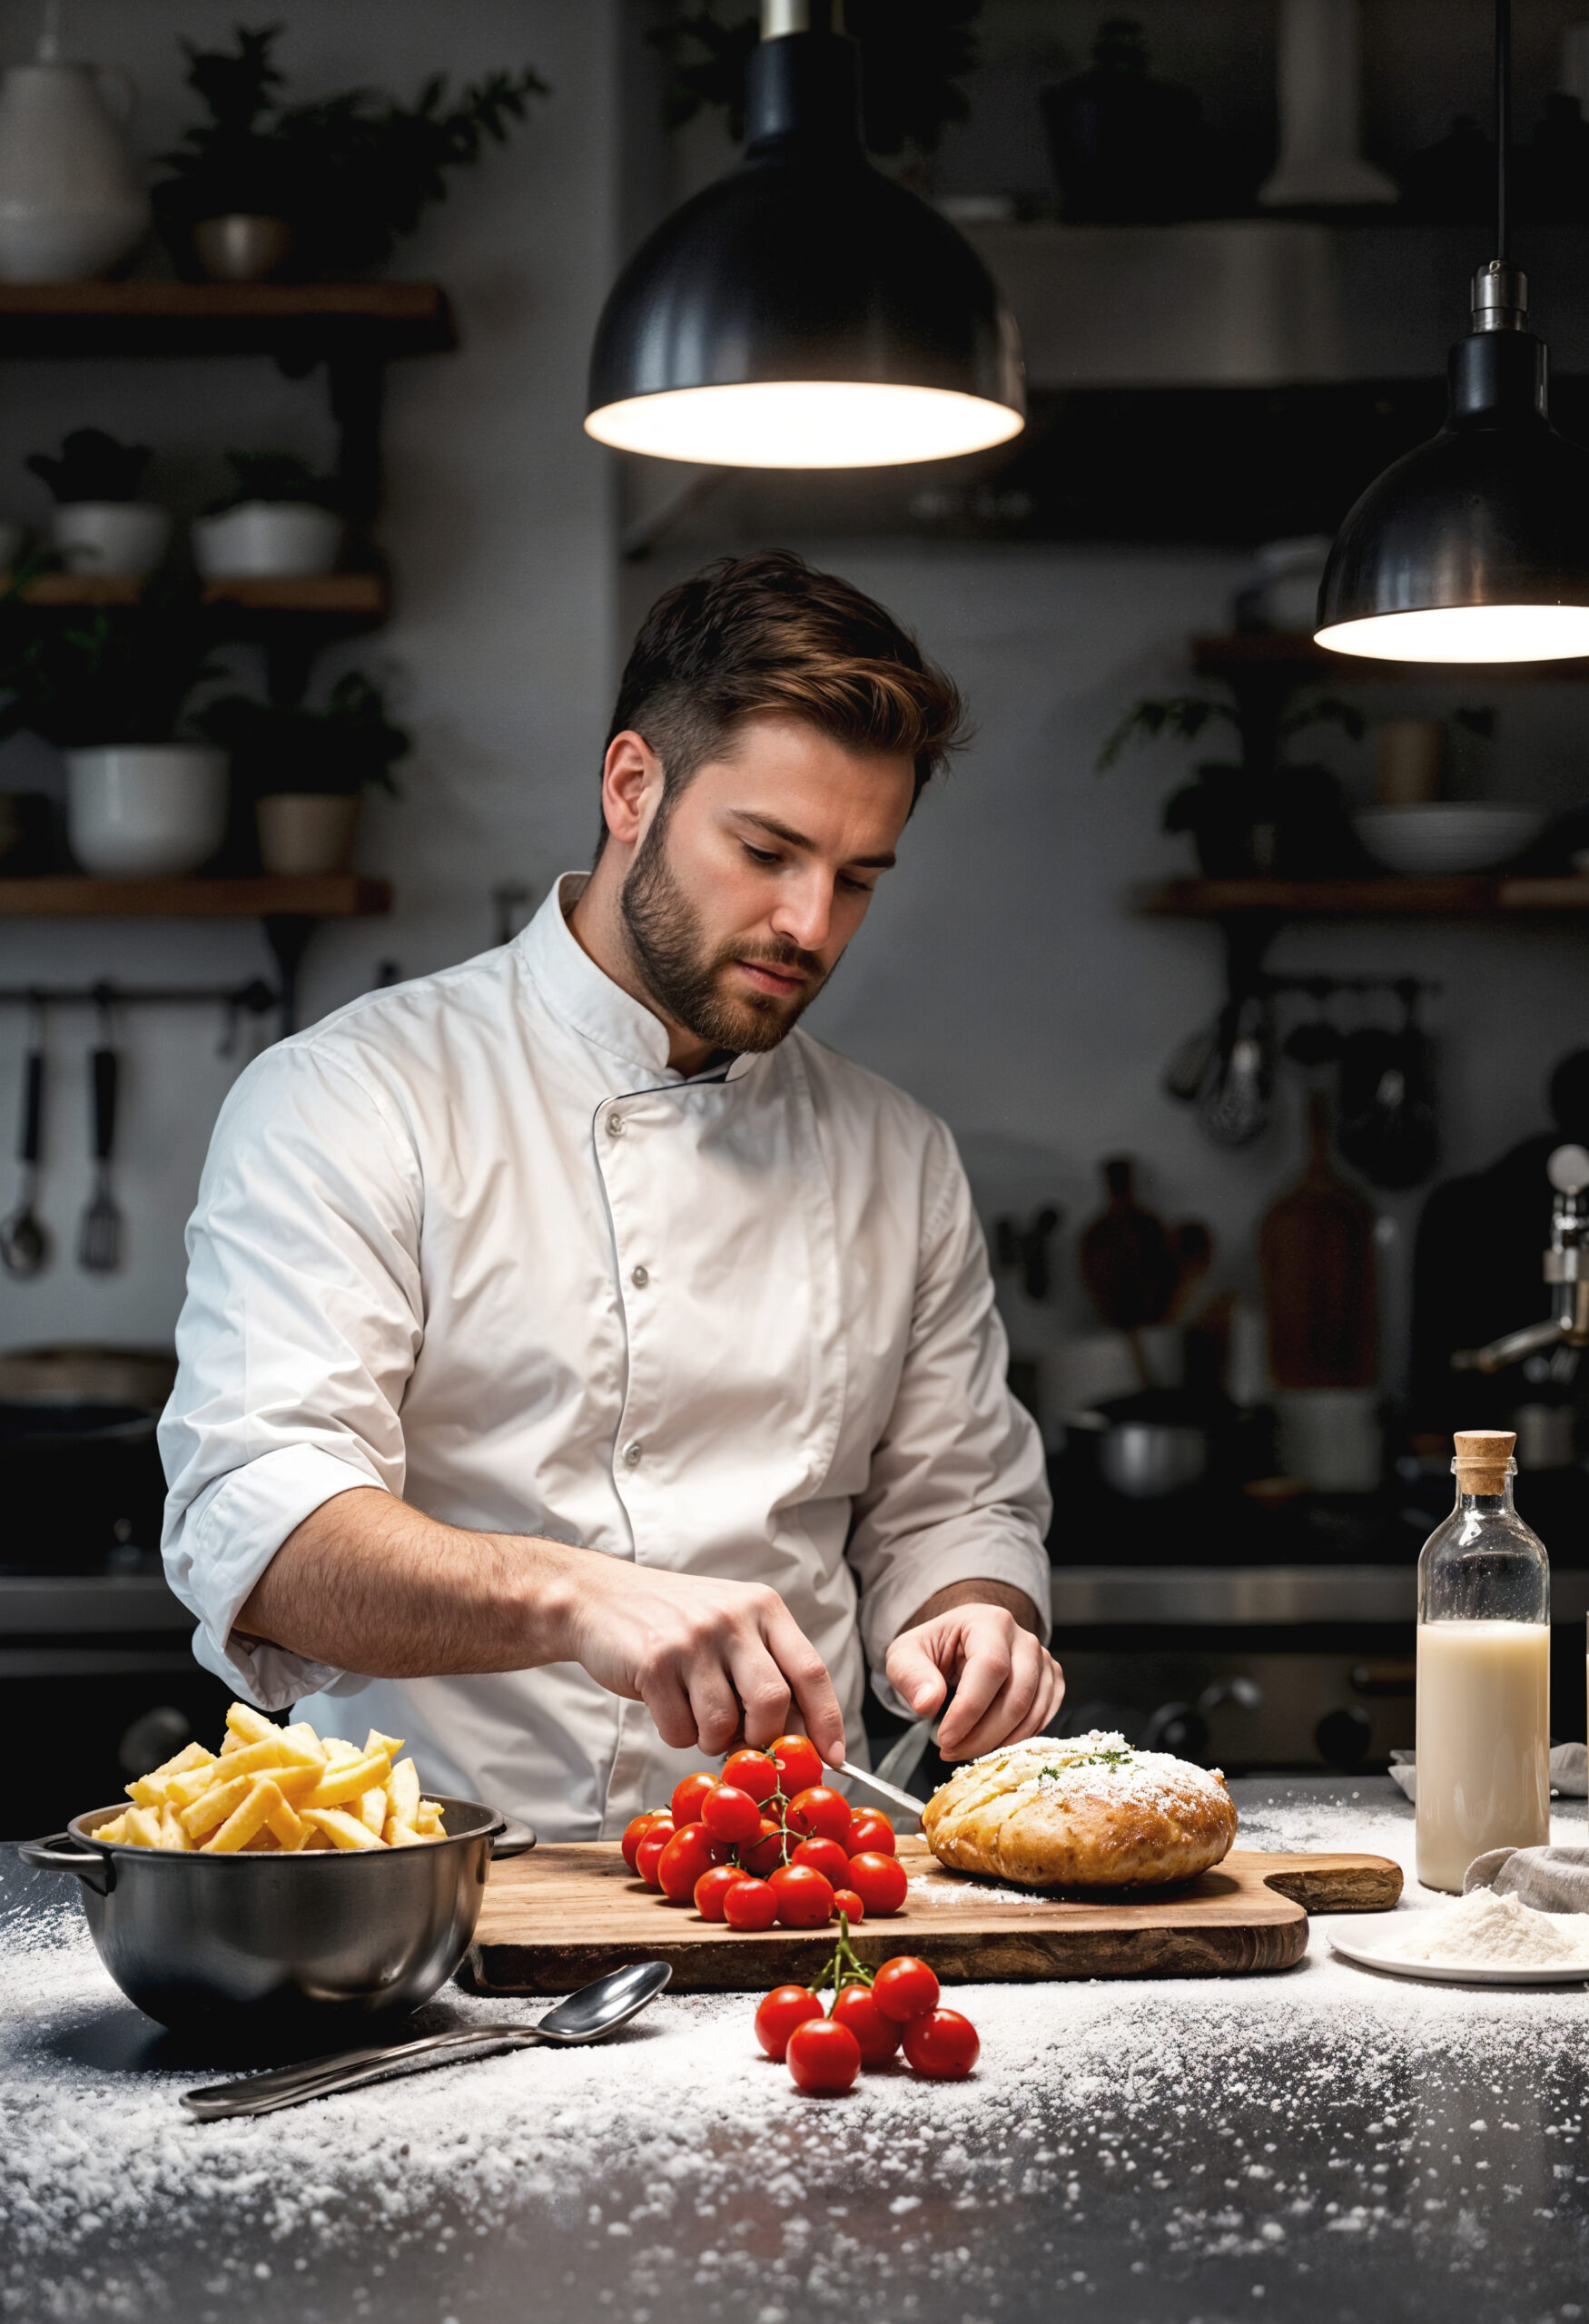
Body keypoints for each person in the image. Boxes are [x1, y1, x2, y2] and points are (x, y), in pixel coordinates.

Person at [160, 550, 1061, 1837]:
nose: (811, 924)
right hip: (445, 1878)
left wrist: (973, 1613)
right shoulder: (353, 1095)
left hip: (794, 1880)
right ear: (632, 786)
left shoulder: (896, 1154)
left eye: (859, 877)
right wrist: (577, 1596)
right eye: (766, 850)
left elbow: (955, 1503)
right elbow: (261, 1532)